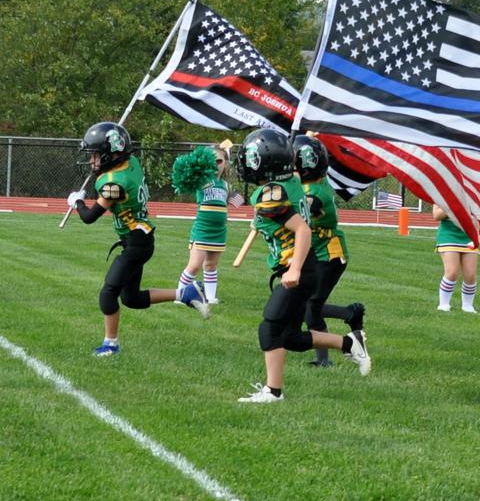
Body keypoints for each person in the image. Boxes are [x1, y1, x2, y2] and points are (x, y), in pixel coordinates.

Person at [235, 129, 370, 404]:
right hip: (302, 267)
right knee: (292, 338)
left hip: (299, 268)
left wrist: (294, 269)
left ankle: (273, 391)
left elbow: (303, 230)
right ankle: (350, 343)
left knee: (270, 328)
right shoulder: (292, 181)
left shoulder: (272, 193)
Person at [68, 122, 209, 357]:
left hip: (136, 242)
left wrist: (77, 202)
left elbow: (89, 217)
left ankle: (110, 345)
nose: (92, 161)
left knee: (108, 293)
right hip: (139, 238)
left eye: (96, 155)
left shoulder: (114, 183)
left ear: (112, 154)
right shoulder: (130, 163)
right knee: (131, 298)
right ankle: (186, 293)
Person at [292, 135, 366, 368]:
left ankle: (324, 360)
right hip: (317, 252)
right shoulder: (310, 183)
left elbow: (299, 209)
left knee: (311, 306)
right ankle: (350, 314)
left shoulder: (315, 193)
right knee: (307, 304)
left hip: (330, 255)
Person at [174, 144, 231, 305]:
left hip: (219, 231)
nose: (215, 165)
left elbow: (227, 203)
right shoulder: (200, 179)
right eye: (211, 161)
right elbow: (185, 178)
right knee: (194, 265)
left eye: (219, 161)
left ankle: (210, 297)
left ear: (225, 163)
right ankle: (179, 294)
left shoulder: (226, 185)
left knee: (211, 265)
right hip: (203, 229)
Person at [432, 203, 478, 313]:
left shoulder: (471, 194)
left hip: (469, 235)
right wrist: (453, 204)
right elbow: (436, 215)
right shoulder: (442, 195)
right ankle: (443, 304)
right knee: (452, 272)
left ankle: (468, 306)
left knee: (470, 275)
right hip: (448, 235)